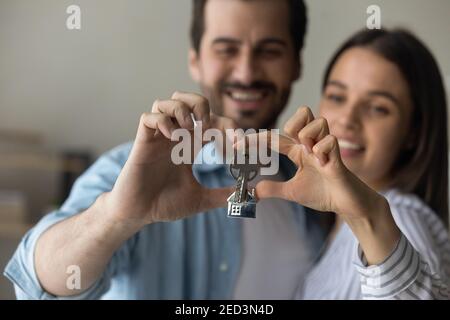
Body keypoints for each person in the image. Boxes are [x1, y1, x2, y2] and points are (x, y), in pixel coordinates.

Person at [4, 0, 326, 299]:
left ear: (296, 63)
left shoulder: (308, 187)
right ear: (195, 61)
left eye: (269, 51)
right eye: (226, 50)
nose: (246, 73)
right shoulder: (132, 171)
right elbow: (38, 280)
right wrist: (116, 218)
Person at [245, 28, 450, 299]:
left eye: (378, 107)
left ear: (413, 131)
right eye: (337, 97)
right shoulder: (329, 228)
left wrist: (370, 218)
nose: (347, 119)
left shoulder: (401, 221)